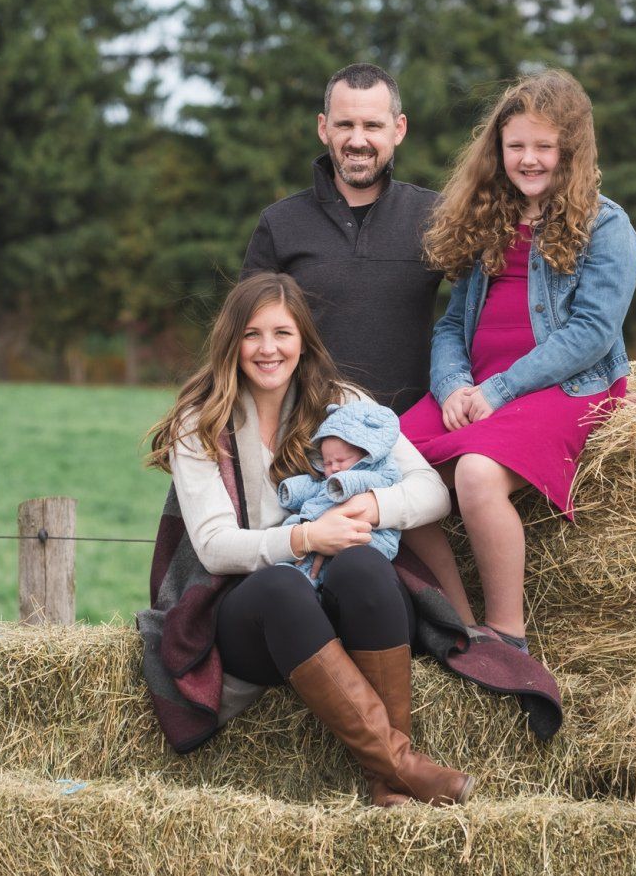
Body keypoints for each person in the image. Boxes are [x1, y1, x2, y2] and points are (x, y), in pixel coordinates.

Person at [137, 272, 473, 807]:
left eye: (282, 333)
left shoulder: (346, 405)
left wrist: (374, 505)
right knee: (281, 589)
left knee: (364, 564)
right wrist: (306, 536)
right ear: (231, 342)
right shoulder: (199, 423)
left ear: (303, 340)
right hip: (254, 617)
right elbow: (216, 547)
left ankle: (388, 788)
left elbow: (432, 491)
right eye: (252, 334)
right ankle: (402, 766)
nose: (268, 349)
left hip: (347, 606)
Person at [398, 70, 636, 653]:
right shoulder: (491, 219)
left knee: (478, 474)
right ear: (498, 149)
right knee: (389, 461)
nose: (528, 159)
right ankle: (457, 622)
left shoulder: (607, 226)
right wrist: (455, 386)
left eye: (543, 146)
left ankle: (507, 636)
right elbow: (453, 324)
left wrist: (498, 392)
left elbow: (591, 333)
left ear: (571, 150)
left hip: (564, 388)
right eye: (516, 146)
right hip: (479, 386)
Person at [242, 63, 442, 412]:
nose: (357, 140)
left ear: (399, 129)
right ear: (324, 128)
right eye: (345, 124)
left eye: (373, 126)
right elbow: (245, 334)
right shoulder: (279, 223)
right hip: (307, 433)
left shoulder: (436, 216)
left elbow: (480, 316)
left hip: (412, 436)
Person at [277, 400, 404, 584]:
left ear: (364, 454)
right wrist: (292, 491)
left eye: (341, 460)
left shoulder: (381, 471)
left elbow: (377, 482)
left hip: (369, 538)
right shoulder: (329, 481)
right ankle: (292, 574)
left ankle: (309, 580)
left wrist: (345, 482)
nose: (334, 468)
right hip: (318, 532)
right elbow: (315, 486)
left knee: (335, 565)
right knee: (296, 535)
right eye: (327, 463)